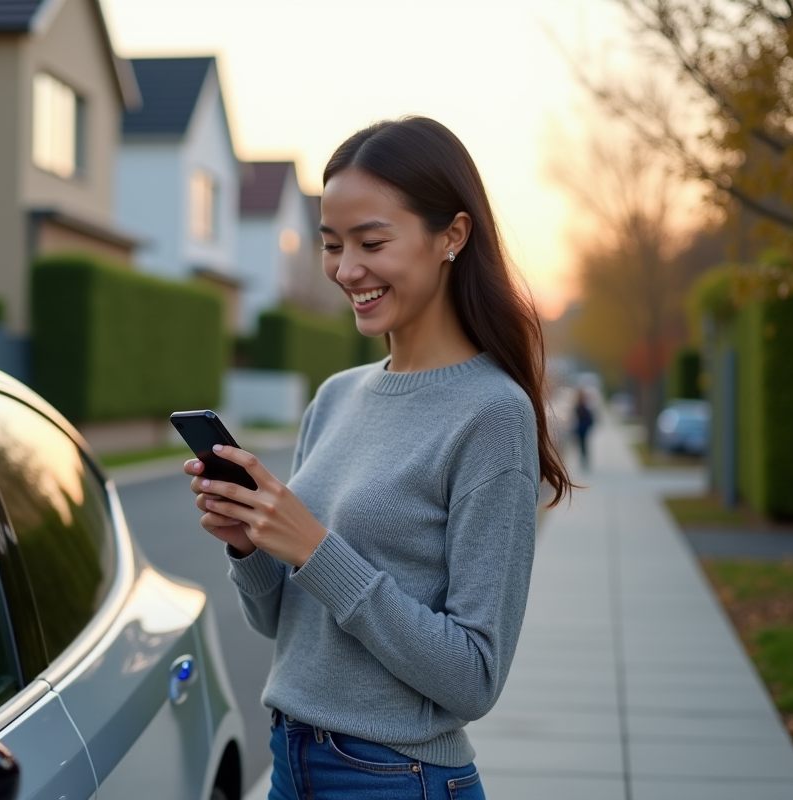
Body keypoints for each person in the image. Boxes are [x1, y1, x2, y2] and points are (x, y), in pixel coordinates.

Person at [182, 117, 572, 800]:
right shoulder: (334, 398)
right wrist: (252, 547)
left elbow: (474, 676)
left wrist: (315, 548)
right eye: (332, 245)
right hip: (290, 758)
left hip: (396, 777)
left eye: (371, 242)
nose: (345, 269)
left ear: (452, 235)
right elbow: (279, 624)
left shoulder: (491, 414)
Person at [574, 388, 595, 470]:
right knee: (583, 444)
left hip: (582, 428)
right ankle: (583, 460)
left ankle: (584, 460)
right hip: (581, 428)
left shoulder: (582, 407)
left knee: (583, 444)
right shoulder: (580, 406)